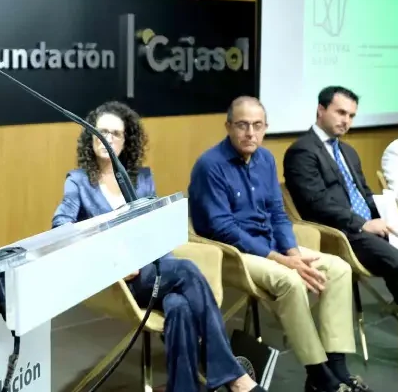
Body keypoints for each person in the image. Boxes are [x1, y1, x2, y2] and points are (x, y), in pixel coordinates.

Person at [52, 101, 265, 392]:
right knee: (186, 270)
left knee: (179, 307)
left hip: (155, 269)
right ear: (90, 137)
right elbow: (61, 226)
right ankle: (231, 374)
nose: (107, 138)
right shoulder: (78, 181)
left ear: (126, 141)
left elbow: (157, 229)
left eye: (115, 133)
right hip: (119, 279)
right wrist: (106, 255)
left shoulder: (142, 179)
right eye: (101, 131)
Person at [189, 96, 368, 392]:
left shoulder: (266, 159)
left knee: (339, 268)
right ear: (228, 126)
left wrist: (294, 253)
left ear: (265, 127)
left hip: (270, 245)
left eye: (257, 125)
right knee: (290, 280)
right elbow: (223, 229)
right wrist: (283, 260)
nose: (250, 133)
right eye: (242, 125)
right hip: (231, 253)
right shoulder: (210, 165)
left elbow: (277, 213)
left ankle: (338, 367)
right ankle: (319, 374)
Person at [283, 86, 398, 367]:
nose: (346, 120)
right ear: (321, 110)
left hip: (373, 226)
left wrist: (391, 217)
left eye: (351, 115)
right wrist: (364, 223)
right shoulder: (302, 152)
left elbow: (366, 195)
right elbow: (316, 204)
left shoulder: (348, 151)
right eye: (340, 112)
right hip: (341, 233)